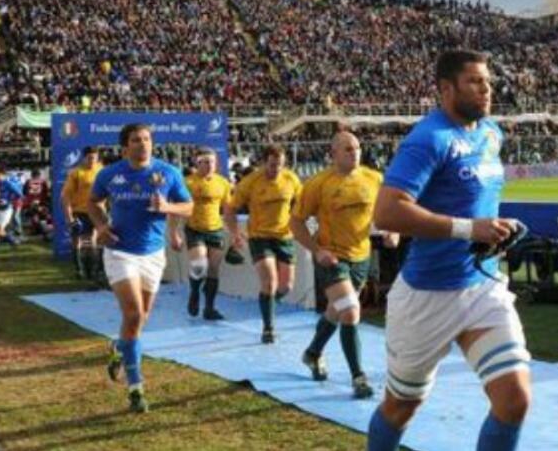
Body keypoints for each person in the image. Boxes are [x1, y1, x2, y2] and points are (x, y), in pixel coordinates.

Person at [366, 49, 531, 451]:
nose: (486, 89)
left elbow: (473, 202)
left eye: (488, 82)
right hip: (427, 296)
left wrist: (495, 230)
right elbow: (387, 211)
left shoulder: (491, 133)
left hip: (481, 287)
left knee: (514, 400)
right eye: (475, 81)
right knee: (401, 405)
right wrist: (466, 229)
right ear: (445, 89)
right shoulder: (428, 138)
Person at [89, 124, 192, 413]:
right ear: (125, 147)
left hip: (153, 255)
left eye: (147, 139)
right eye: (136, 140)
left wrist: (168, 208)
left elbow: (189, 207)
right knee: (133, 314)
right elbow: (93, 202)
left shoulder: (168, 172)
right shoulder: (109, 174)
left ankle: (119, 349)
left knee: (141, 318)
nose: (143, 144)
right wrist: (100, 226)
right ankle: (136, 389)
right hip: (120, 252)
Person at [291, 131, 395, 399]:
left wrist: (391, 231)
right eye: (347, 149)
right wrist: (317, 250)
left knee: (336, 312)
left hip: (361, 256)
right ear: (333, 153)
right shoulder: (318, 183)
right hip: (332, 257)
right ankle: (358, 377)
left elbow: (387, 212)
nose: (354, 152)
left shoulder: (374, 178)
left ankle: (312, 354)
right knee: (350, 310)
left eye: (357, 148)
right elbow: (295, 222)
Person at [227, 144, 302, 343]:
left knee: (287, 286)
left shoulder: (291, 179)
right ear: (263, 163)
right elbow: (230, 209)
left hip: (284, 236)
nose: (275, 169)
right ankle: (268, 327)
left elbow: (301, 203)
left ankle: (268, 304)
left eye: (279, 165)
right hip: (259, 236)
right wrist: (235, 233)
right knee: (270, 281)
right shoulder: (250, 182)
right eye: (271, 165)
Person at [169, 147, 238, 320]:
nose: (209, 165)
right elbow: (176, 210)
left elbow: (228, 210)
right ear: (197, 163)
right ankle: (194, 292)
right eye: (205, 162)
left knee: (213, 270)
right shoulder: (188, 183)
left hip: (215, 229)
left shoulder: (223, 183)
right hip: (195, 229)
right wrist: (174, 233)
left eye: (212, 162)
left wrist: (235, 233)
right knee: (200, 265)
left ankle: (209, 308)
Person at [62, 147, 102, 278]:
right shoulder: (76, 173)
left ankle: (94, 270)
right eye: (89, 158)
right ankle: (79, 269)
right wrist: (69, 218)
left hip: (98, 211)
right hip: (80, 211)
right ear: (84, 158)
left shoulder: (102, 171)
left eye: (94, 158)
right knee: (79, 241)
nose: (92, 161)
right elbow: (65, 197)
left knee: (94, 241)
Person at [0, 165, 23, 259]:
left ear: (3, 175)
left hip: (5, 210)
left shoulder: (8, 183)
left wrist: (9, 200)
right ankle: (10, 239)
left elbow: (19, 194)